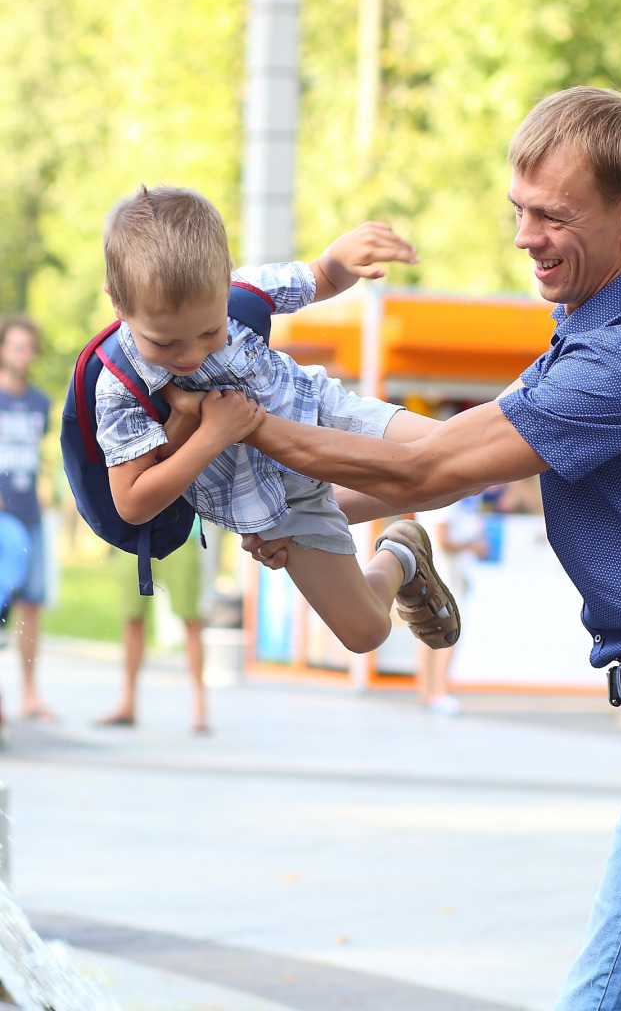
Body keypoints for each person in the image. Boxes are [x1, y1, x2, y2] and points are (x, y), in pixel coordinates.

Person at [239, 87, 621, 1010]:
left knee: (613, 999)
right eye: (518, 210)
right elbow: (448, 462)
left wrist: (243, 437)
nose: (524, 236)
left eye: (552, 215)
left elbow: (429, 467)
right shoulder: (597, 329)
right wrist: (282, 514)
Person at [96, 186, 460, 665]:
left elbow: (320, 276)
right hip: (275, 500)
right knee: (365, 630)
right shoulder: (120, 387)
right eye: (164, 343)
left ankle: (537, 401)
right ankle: (401, 555)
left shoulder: (240, 292)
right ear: (118, 305)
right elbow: (132, 502)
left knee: (457, 460)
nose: (188, 356)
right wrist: (211, 436)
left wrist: (343, 258)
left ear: (224, 283)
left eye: (209, 333)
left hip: (320, 412)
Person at [96, 527, 208, 733]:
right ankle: (127, 703)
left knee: (190, 619)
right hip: (134, 530)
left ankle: (200, 706)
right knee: (132, 617)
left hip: (181, 527)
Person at [0, 315, 57, 721]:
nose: (22, 353)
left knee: (31, 605)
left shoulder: (41, 403)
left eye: (28, 347)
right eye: (15, 345)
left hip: (30, 516)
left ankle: (30, 694)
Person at [415, 495, 488, 715]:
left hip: (430, 576)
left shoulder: (428, 496)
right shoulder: (445, 500)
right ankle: (439, 692)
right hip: (446, 579)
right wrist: (471, 544)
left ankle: (427, 693)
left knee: (428, 635)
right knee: (449, 633)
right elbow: (442, 539)